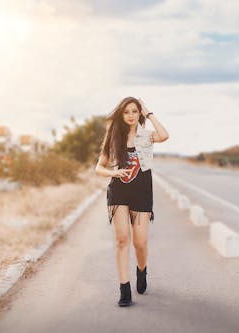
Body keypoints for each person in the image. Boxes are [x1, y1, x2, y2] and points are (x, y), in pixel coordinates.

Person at [95, 97, 169, 307]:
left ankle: (142, 270)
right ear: (122, 114)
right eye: (126, 111)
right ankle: (124, 289)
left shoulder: (146, 136)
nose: (130, 115)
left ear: (139, 114)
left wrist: (149, 112)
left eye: (134, 111)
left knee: (140, 242)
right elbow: (98, 168)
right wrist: (114, 172)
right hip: (119, 191)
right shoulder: (114, 138)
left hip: (142, 192)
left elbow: (164, 135)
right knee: (121, 240)